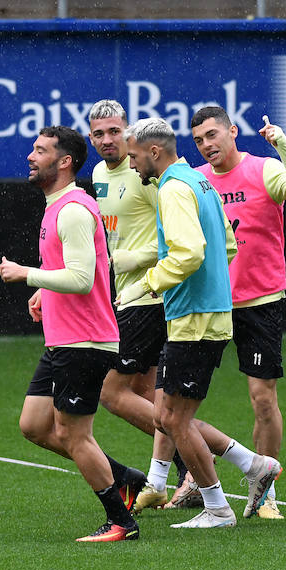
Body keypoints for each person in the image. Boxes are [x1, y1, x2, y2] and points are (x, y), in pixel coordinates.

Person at [116, 117, 283, 528]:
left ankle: (218, 508)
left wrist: (152, 284)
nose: (132, 165)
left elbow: (189, 253)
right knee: (167, 415)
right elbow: (226, 244)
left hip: (194, 317)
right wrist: (211, 286)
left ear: (154, 152)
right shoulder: (200, 181)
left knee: (173, 419)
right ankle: (253, 465)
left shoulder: (174, 188)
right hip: (205, 310)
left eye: (135, 157)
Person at [0, 125, 142, 542]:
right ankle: (122, 476)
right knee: (34, 425)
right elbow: (74, 270)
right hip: (63, 340)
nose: (30, 156)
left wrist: (27, 274)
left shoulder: (74, 210)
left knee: (73, 434)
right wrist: (44, 288)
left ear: (64, 162)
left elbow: (81, 278)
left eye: (40, 151)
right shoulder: (56, 205)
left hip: (85, 341)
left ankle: (121, 521)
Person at [193, 106, 286, 519]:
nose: (207, 145)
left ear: (232, 131)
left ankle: (264, 492)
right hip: (208, 303)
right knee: (174, 401)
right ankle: (181, 480)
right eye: (199, 140)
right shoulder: (195, 181)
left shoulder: (265, 170)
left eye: (213, 135)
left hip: (259, 302)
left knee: (262, 400)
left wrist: (283, 145)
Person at [86, 100, 192, 510]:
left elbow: (172, 232)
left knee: (112, 393)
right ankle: (185, 474)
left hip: (149, 295)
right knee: (149, 394)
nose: (108, 140)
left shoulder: (145, 175)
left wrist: (136, 258)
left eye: (115, 131)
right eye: (99, 134)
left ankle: (202, 459)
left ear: (128, 130)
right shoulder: (97, 174)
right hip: (125, 295)